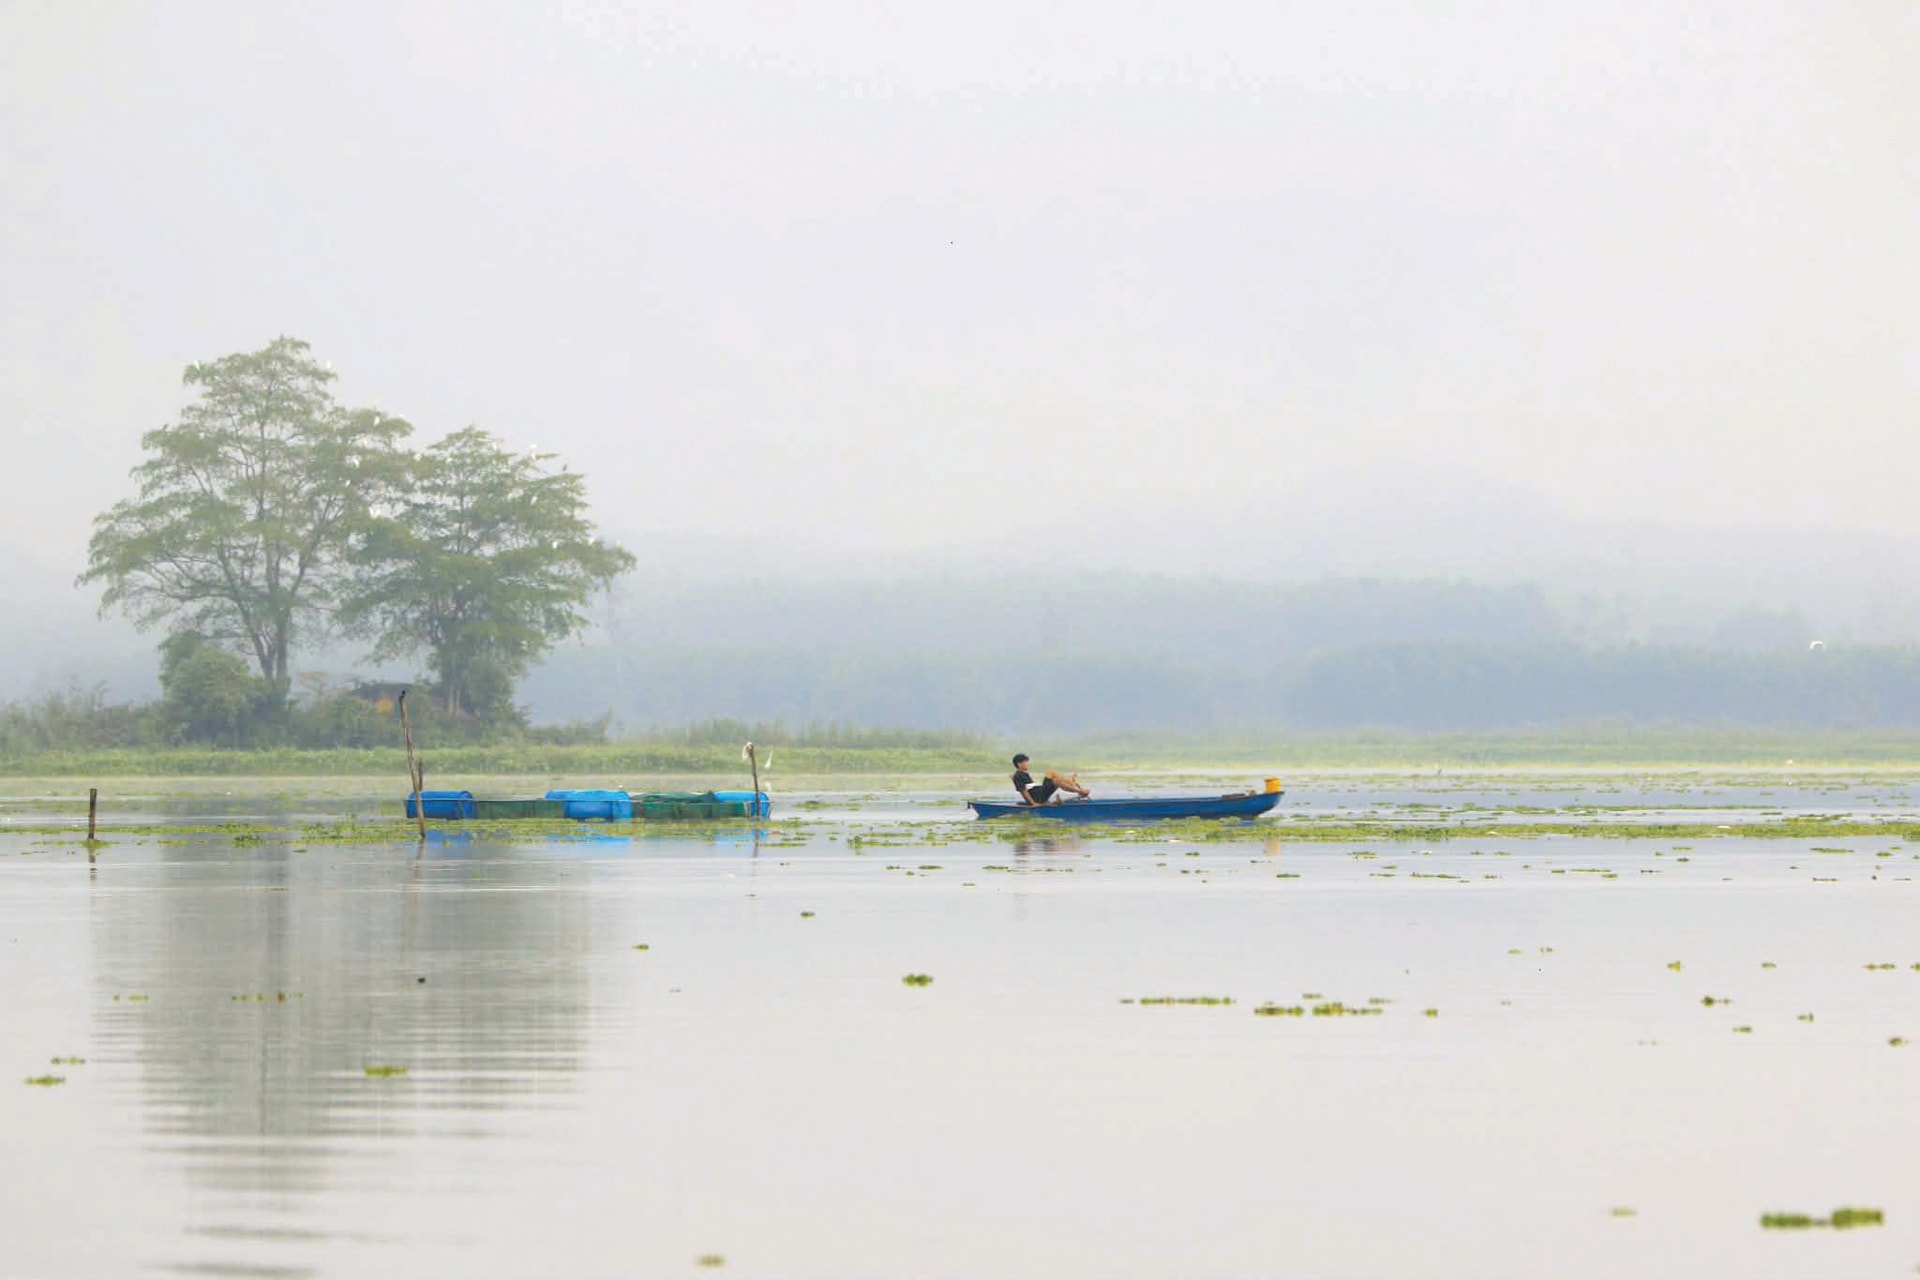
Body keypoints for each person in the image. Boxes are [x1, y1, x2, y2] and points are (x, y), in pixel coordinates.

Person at [1010, 753, 1090, 805]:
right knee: (1056, 781)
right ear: (1019, 764)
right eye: (1025, 762)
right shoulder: (1018, 776)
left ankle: (1070, 782)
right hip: (1038, 797)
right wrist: (1033, 803)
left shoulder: (1022, 774)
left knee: (1051, 772)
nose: (1027, 764)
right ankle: (1080, 791)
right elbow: (1023, 791)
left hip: (1040, 792)